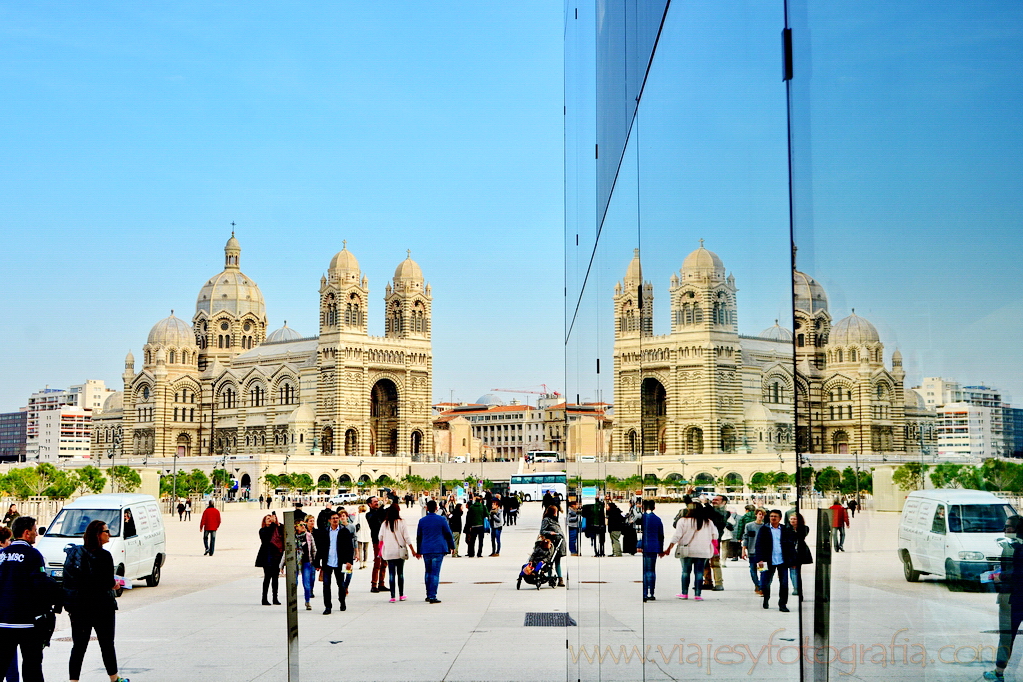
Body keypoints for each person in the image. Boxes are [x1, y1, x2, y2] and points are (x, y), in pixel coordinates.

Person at [63, 519, 131, 682]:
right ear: (97, 535)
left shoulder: (75, 553)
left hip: (79, 607)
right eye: (106, 531)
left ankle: (74, 680)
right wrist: (115, 584)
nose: (109, 534)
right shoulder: (104, 556)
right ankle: (114, 678)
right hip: (102, 606)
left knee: (79, 646)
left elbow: (70, 579)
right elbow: (107, 582)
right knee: (107, 644)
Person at [0, 516, 60, 682]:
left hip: (3, 621)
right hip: (27, 622)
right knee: (32, 666)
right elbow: (40, 584)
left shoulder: (2, 555)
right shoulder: (33, 555)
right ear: (27, 533)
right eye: (34, 530)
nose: (36, 534)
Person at [987, 515, 1023, 681]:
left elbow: (1016, 573)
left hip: (1011, 598)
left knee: (1007, 636)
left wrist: (998, 577)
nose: (1005, 529)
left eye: (1009, 527)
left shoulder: (1011, 547)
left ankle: (999, 672)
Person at [662, 499, 716, 600]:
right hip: (702, 551)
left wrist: (669, 548)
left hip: (687, 551)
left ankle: (684, 593)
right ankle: (698, 595)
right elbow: (715, 535)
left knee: (685, 572)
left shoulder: (683, 521)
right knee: (699, 573)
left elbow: (677, 536)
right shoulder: (708, 522)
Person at [313, 511, 354, 614]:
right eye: (333, 518)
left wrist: (349, 561)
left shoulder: (344, 531)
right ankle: (328, 606)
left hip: (340, 562)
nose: (335, 520)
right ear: (329, 520)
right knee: (326, 585)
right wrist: (317, 563)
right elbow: (320, 548)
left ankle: (342, 601)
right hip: (327, 562)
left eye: (337, 518)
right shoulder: (325, 532)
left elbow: (349, 547)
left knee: (341, 584)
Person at [755, 510, 795, 612]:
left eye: (775, 516)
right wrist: (759, 560)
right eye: (771, 516)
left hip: (783, 561)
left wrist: (793, 561)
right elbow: (758, 545)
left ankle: (782, 604)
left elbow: (791, 546)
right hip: (766, 560)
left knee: (784, 583)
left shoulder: (785, 529)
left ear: (780, 518)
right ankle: (766, 599)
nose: (773, 518)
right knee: (764, 582)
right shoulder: (764, 529)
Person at [417, 500, 455, 603]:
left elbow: (419, 537)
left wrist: (418, 550)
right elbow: (448, 533)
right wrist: (452, 546)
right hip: (438, 549)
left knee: (428, 572)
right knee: (435, 573)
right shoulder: (441, 519)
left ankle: (428, 594)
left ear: (427, 508)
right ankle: (433, 596)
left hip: (426, 549)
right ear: (436, 508)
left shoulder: (422, 521)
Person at [380, 503, 419, 602]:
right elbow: (407, 537)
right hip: (399, 552)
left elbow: (380, 537)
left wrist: (380, 551)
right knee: (400, 573)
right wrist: (413, 551)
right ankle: (401, 594)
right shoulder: (402, 522)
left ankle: (392, 596)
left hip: (389, 552)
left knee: (391, 574)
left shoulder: (385, 523)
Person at [0, 527, 18, 682]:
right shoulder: (6, 558)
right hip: (6, 615)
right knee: (10, 658)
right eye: (8, 541)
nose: (10, 543)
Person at [255, 515, 283, 605]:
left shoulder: (275, 528)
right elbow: (267, 537)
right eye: (268, 519)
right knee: (267, 577)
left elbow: (282, 529)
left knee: (275, 577)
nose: (270, 520)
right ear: (264, 521)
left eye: (271, 518)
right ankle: (264, 598)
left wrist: (277, 522)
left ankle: (275, 598)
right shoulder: (263, 530)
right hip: (266, 555)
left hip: (276, 555)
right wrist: (274, 524)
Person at [641, 500, 664, 601]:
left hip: (644, 546)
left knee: (645, 571)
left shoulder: (641, 518)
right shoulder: (657, 519)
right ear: (654, 507)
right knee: (652, 570)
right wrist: (660, 549)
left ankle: (644, 593)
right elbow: (661, 535)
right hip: (654, 546)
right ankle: (652, 592)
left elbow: (638, 533)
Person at [540, 505, 567, 587]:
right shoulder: (546, 520)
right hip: (551, 544)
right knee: (550, 562)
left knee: (557, 562)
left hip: (559, 543)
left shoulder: (554, 520)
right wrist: (550, 533)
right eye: (555, 511)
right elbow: (542, 531)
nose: (556, 513)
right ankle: (550, 577)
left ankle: (560, 579)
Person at [787, 512, 813, 597]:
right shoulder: (786, 529)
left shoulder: (804, 528)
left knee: (795, 570)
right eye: (791, 519)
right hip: (790, 552)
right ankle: (796, 587)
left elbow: (800, 536)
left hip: (800, 552)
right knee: (793, 570)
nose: (792, 521)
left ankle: (797, 588)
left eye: (794, 519)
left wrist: (795, 529)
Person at [742, 508, 767, 595]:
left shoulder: (765, 526)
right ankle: (757, 584)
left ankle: (761, 586)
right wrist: (743, 550)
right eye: (759, 514)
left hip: (762, 552)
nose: (761, 516)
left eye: (763, 515)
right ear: (756, 514)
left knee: (763, 569)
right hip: (752, 550)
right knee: (753, 569)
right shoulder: (749, 526)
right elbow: (745, 538)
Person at [365, 496, 387, 592]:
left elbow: (392, 509)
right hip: (377, 541)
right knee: (377, 562)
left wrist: (393, 497)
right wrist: (383, 505)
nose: (377, 503)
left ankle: (381, 583)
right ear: (369, 504)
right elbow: (375, 517)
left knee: (385, 562)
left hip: (385, 539)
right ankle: (374, 584)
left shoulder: (382, 512)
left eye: (377, 501)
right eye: (374, 502)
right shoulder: (369, 515)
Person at [353, 504, 372, 569]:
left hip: (359, 533)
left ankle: (361, 564)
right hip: (367, 533)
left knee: (360, 549)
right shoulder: (368, 515)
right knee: (366, 549)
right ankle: (365, 562)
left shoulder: (358, 516)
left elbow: (354, 524)